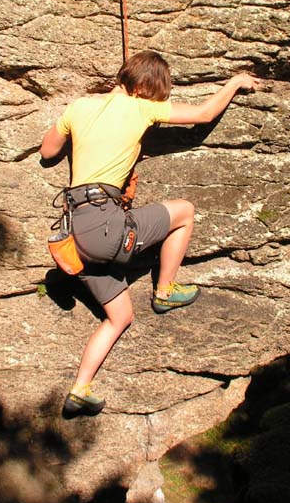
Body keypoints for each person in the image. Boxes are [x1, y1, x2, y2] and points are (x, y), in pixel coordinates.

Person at [40, 51, 260, 416]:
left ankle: (80, 389)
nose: (158, 102)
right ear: (141, 87)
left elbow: (48, 152)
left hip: (76, 235)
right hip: (106, 226)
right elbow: (204, 114)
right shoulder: (142, 108)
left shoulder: (78, 107)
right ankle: (165, 290)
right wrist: (235, 82)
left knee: (120, 316)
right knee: (185, 212)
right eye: (157, 94)